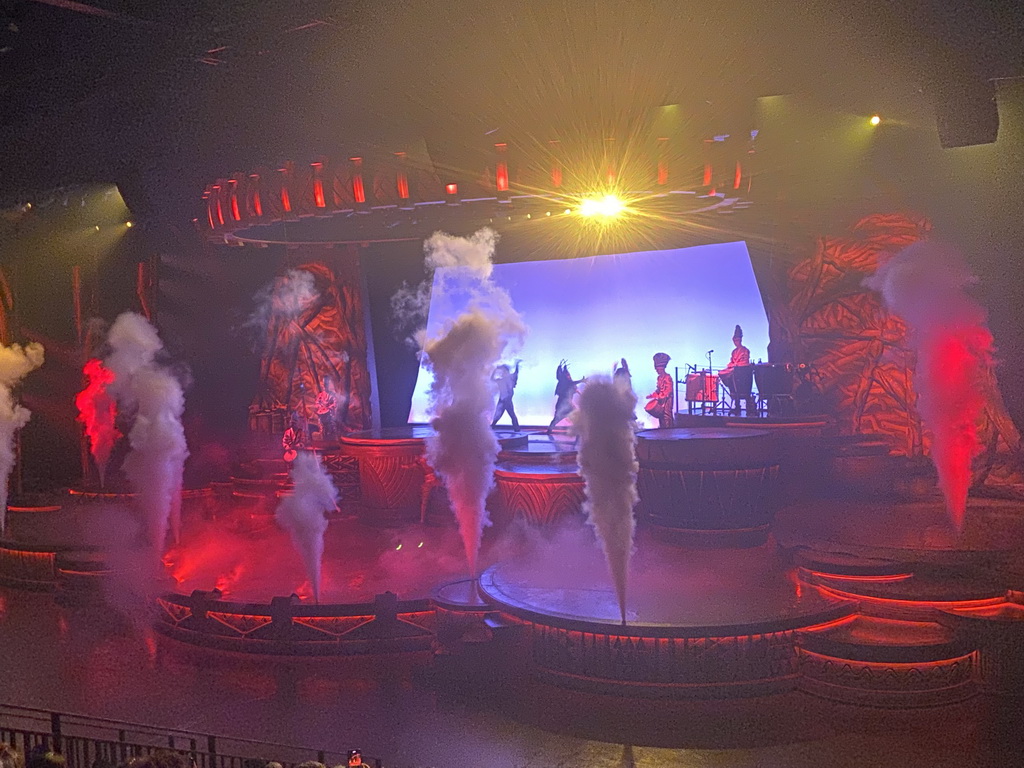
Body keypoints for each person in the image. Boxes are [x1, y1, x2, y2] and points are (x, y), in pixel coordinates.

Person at [719, 324, 754, 415]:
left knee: (738, 381)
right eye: (734, 341)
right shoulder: (734, 352)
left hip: (743, 372)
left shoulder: (745, 350)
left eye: (737, 340)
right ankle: (736, 405)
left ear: (740, 340)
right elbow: (731, 361)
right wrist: (731, 365)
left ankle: (748, 407)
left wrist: (736, 365)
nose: (736, 342)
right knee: (723, 373)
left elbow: (745, 361)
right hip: (734, 370)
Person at [546, 360, 584, 434]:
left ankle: (579, 429)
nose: (569, 376)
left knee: (576, 416)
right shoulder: (564, 383)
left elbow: (575, 389)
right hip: (563, 404)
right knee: (558, 417)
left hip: (568, 404)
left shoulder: (569, 383)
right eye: (567, 374)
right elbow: (571, 384)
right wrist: (581, 381)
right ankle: (549, 429)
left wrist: (580, 394)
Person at [644, 352, 674, 428]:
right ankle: (663, 429)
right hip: (661, 400)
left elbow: (668, 390)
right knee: (661, 416)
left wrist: (661, 396)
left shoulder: (667, 377)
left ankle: (669, 430)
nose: (656, 371)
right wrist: (652, 395)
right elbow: (658, 389)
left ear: (661, 369)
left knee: (667, 415)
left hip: (667, 400)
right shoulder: (659, 378)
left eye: (657, 369)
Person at [490, 360, 521, 430]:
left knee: (508, 415)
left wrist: (517, 365)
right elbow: (491, 379)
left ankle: (517, 429)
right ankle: (517, 429)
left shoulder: (510, 378)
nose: (503, 372)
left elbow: (516, 373)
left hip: (506, 400)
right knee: (499, 415)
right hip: (502, 400)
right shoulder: (500, 380)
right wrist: (494, 369)